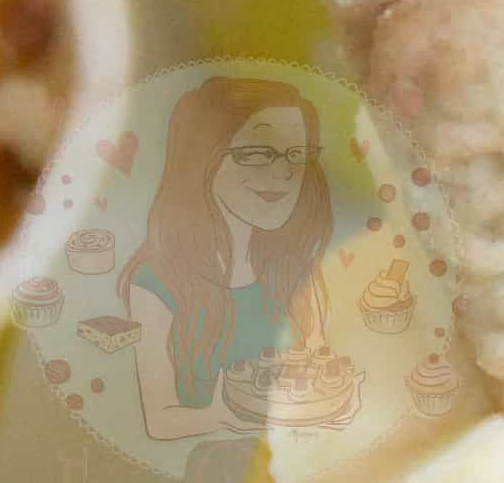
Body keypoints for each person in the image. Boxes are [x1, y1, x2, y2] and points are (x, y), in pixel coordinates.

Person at [121, 76, 346, 447]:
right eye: (257, 154)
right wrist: (224, 416)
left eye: (296, 155)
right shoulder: (155, 284)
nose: (285, 173)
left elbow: (319, 368)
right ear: (204, 158)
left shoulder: (296, 269)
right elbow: (161, 420)